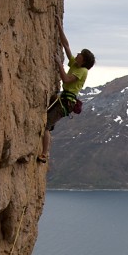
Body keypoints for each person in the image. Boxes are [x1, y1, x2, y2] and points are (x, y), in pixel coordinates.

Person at [37, 14, 95, 163]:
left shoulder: (82, 71)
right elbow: (66, 45)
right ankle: (44, 151)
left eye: (80, 55)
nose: (77, 55)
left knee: (47, 126)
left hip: (67, 101)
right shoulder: (76, 65)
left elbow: (66, 79)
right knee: (46, 123)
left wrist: (59, 64)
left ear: (83, 60)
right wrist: (59, 26)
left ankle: (44, 154)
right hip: (64, 99)